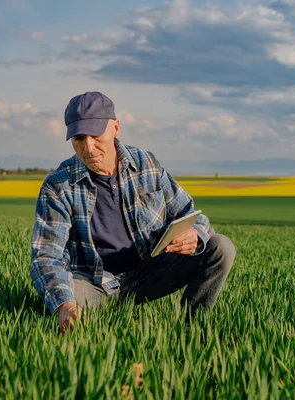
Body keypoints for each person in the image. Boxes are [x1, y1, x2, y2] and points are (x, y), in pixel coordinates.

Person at [30, 91, 236, 333]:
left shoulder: (147, 164)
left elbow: (192, 214)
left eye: (95, 135)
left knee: (220, 247)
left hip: (149, 273)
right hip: (92, 282)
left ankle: (193, 332)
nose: (88, 147)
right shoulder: (58, 186)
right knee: (73, 315)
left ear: (115, 127)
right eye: (78, 138)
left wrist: (195, 234)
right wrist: (64, 304)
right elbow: (47, 255)